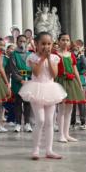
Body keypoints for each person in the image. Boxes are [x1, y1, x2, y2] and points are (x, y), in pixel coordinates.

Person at [19, 32, 67, 160]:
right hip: (36, 88)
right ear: (36, 44)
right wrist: (43, 59)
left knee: (50, 121)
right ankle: (35, 150)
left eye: (49, 44)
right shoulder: (32, 57)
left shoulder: (55, 58)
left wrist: (49, 58)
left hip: (50, 89)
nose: (46, 46)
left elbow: (54, 74)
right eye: (43, 44)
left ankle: (49, 150)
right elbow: (36, 72)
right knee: (40, 120)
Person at [55, 33, 86, 143]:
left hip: (71, 81)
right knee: (62, 109)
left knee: (70, 109)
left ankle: (67, 133)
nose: (65, 42)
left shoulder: (71, 55)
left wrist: (79, 83)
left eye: (67, 40)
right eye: (63, 40)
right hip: (60, 81)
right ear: (58, 41)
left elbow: (75, 70)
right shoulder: (55, 54)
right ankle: (61, 135)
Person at [7, 34, 33, 132]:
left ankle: (27, 123)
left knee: (27, 103)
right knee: (18, 103)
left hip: (28, 79)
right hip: (18, 81)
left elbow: (33, 67)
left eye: (24, 41)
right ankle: (17, 123)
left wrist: (29, 79)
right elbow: (13, 69)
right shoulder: (14, 55)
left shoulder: (30, 55)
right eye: (20, 41)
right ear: (17, 42)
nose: (22, 43)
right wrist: (20, 80)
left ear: (27, 42)